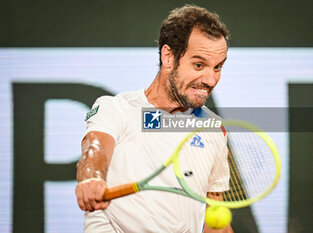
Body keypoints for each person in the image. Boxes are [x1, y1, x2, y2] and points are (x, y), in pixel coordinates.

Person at [75, 4, 234, 233]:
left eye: (218, 67)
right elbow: (95, 147)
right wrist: (92, 177)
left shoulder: (213, 129)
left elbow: (215, 214)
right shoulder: (116, 108)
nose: (210, 79)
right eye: (199, 65)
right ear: (168, 56)